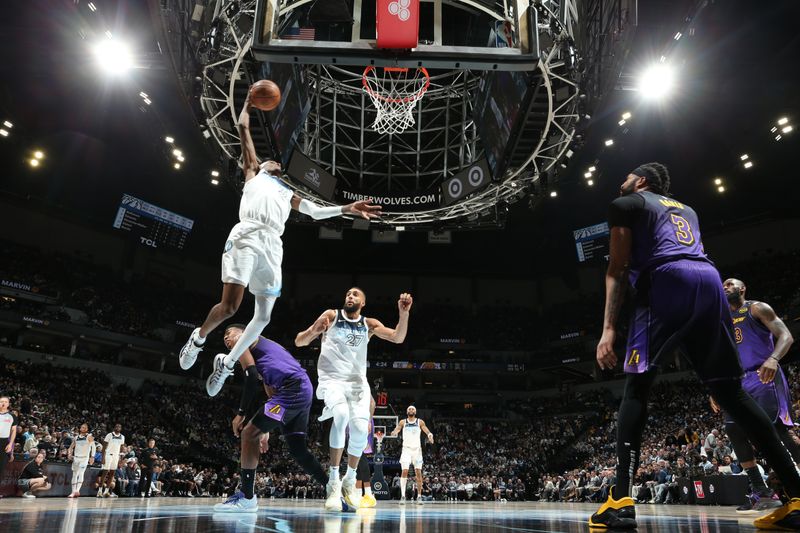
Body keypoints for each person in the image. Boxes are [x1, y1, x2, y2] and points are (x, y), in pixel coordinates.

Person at [589, 162, 800, 530]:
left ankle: (620, 501)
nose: (620, 181)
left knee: (637, 386)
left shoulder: (625, 204)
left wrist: (608, 329)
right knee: (732, 394)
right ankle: (797, 497)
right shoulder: (687, 209)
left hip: (668, 279)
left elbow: (617, 269)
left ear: (641, 181)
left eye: (626, 176)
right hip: (709, 279)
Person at [178, 85, 381, 397]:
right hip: (247, 236)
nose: (275, 164)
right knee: (231, 307)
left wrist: (346, 209)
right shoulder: (252, 173)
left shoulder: (286, 192)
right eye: (271, 162)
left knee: (264, 316)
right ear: (262, 165)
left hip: (273, 245)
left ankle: (229, 363)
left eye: (277, 164)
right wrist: (247, 102)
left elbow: (313, 210)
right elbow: (243, 126)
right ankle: (199, 338)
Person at [295, 288, 412, 510]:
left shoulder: (368, 324)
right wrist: (313, 331)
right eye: (348, 294)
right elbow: (299, 341)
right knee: (340, 415)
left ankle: (350, 481)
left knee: (359, 428)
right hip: (332, 380)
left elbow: (398, 337)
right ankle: (333, 483)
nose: (350, 296)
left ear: (363, 303)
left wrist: (403, 313)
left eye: (355, 295)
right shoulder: (331, 315)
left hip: (358, 384)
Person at [212, 325, 329, 513]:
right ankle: (333, 490)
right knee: (298, 451)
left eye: (229, 333)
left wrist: (240, 414)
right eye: (224, 336)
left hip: (292, 388)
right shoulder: (265, 352)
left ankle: (247, 497)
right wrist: (265, 429)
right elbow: (270, 391)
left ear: (242, 332)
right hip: (301, 388)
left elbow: (250, 379)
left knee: (249, 433)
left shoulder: (244, 340)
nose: (226, 338)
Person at [710, 278, 798, 513]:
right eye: (723, 285)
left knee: (777, 431)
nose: (726, 287)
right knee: (734, 431)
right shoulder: (722, 320)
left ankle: (795, 484)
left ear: (743, 288)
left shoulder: (757, 308)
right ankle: (762, 491)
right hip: (735, 382)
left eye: (730, 284)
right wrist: (715, 387)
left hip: (764, 375)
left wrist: (773, 358)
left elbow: (787, 336)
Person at [390, 405, 434, 504]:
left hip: (417, 451)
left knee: (418, 472)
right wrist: (394, 432)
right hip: (406, 450)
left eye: (413, 409)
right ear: (407, 411)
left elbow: (426, 429)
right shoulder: (403, 422)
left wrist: (430, 435)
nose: (411, 410)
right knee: (404, 471)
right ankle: (402, 496)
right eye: (409, 409)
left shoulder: (420, 422)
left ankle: (419, 496)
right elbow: (397, 429)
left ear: (415, 411)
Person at [66, 423, 95, 498]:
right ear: (80, 428)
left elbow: (93, 447)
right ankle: (73, 492)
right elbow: (70, 447)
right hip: (76, 458)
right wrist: (69, 454)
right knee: (75, 474)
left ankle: (77, 490)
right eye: (82, 427)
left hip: (84, 458)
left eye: (85, 427)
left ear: (87, 429)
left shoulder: (89, 437)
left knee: (81, 473)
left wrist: (92, 457)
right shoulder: (76, 437)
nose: (83, 428)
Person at [97, 424, 125, 498]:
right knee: (105, 473)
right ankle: (99, 491)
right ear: (114, 428)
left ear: (121, 429)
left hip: (116, 456)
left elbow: (121, 447)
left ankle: (106, 492)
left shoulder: (122, 437)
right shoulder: (109, 435)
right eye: (116, 427)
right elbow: (104, 447)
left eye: (119, 427)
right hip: (108, 455)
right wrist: (102, 458)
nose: (117, 428)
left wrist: (121, 459)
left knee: (112, 474)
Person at [0, 396, 17, 497]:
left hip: (4, 443)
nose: (3, 403)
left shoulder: (12, 416)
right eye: (1, 401)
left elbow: (14, 431)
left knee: (1, 467)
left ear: (8, 404)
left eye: (5, 402)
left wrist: (10, 444)